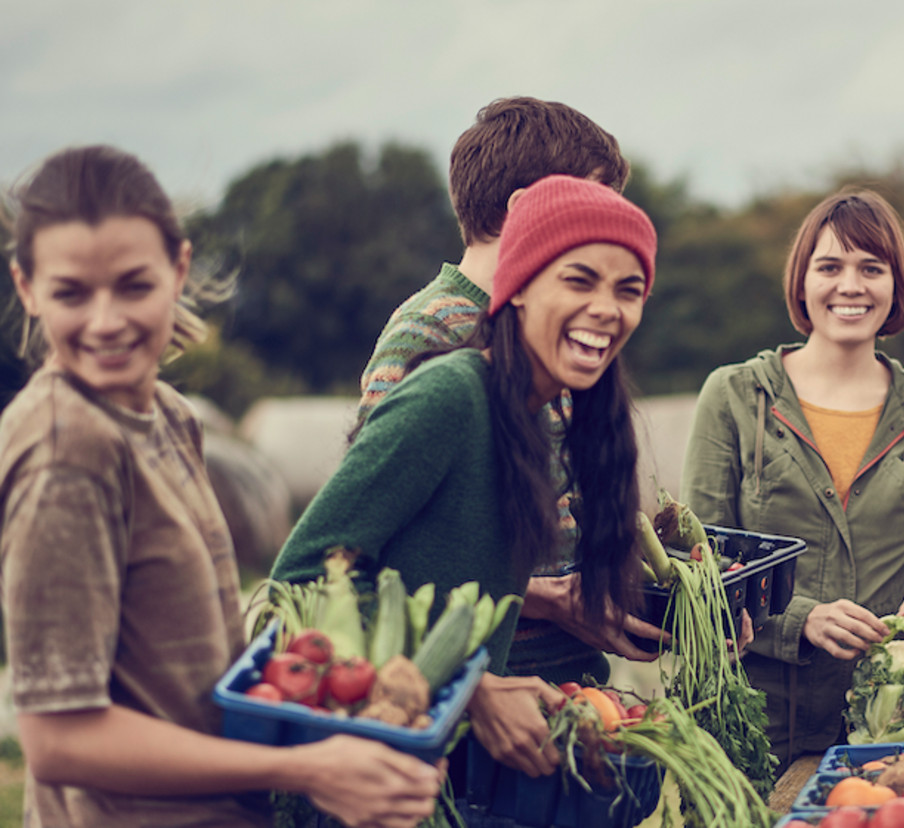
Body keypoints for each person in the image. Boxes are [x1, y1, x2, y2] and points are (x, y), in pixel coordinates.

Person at [0, 145, 443, 828]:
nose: (106, 320)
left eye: (133, 285)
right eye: (71, 293)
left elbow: (181, 673)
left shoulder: (169, 416)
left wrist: (352, 735)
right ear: (26, 287)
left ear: (178, 269)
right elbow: (58, 740)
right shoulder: (68, 451)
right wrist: (301, 767)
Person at [270, 174, 658, 781]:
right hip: (381, 773)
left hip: (440, 766)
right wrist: (471, 687)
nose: (607, 307)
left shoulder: (540, 415)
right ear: (521, 285)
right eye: (579, 280)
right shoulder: (450, 395)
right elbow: (302, 576)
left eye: (627, 290)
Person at [356, 96, 665, 684]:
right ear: (527, 208)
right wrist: (542, 596)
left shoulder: (558, 334)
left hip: (567, 671)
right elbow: (393, 544)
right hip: (478, 678)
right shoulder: (431, 330)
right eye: (591, 205)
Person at [680, 187, 904, 766]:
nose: (851, 285)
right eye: (830, 266)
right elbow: (701, 571)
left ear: (896, 284)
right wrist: (803, 619)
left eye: (872, 268)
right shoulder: (734, 395)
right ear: (802, 281)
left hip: (891, 734)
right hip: (757, 725)